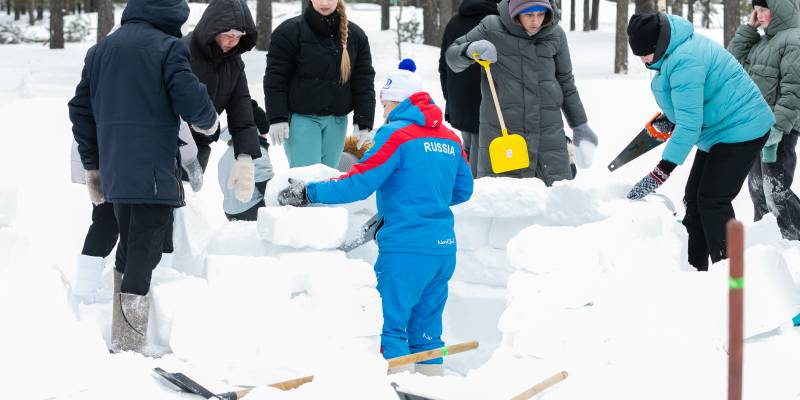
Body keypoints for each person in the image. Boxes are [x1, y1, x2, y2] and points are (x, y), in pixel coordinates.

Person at [277, 60, 474, 376]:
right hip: (442, 249)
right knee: (426, 332)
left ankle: (396, 389)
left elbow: (359, 182)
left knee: (389, 326)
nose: (383, 110)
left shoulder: (396, 135)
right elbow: (463, 190)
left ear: (396, 100)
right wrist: (426, 197)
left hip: (406, 249)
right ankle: (432, 388)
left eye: (385, 103)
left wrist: (309, 193)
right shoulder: (450, 138)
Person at [68, 0, 220, 353]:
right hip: (153, 169)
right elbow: (189, 96)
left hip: (116, 170)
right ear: (173, 18)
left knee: (130, 247)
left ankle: (124, 336)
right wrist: (209, 121)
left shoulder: (101, 49)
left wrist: (94, 163)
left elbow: (80, 109)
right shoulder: (168, 48)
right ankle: (129, 340)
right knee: (143, 251)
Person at [625, 12, 774, 271]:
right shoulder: (674, 50)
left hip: (743, 127)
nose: (643, 60)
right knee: (694, 199)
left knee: (712, 200)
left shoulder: (685, 60)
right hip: (720, 129)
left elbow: (690, 124)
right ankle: (695, 270)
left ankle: (730, 274)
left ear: (657, 46)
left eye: (644, 54)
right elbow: (690, 108)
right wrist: (671, 118)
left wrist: (660, 172)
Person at [444, 0, 597, 184]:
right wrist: (470, 50)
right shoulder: (491, 27)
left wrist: (580, 125)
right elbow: (452, 56)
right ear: (516, 13)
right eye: (529, 15)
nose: (535, 21)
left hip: (548, 136)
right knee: (506, 203)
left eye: (541, 15)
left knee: (554, 203)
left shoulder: (555, 35)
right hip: (504, 135)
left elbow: (566, 82)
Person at [68, 121, 199, 303]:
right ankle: (150, 291)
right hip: (134, 157)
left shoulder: (96, 91)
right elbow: (174, 116)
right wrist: (191, 159)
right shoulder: (147, 91)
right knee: (154, 224)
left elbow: (82, 112)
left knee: (105, 222)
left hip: (100, 154)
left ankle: (85, 291)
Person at [264, 0, 376, 169]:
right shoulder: (289, 32)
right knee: (306, 180)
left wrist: (364, 122)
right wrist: (277, 116)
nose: (324, 2)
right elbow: (276, 78)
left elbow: (363, 81)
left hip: (337, 121)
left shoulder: (356, 36)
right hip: (303, 119)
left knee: (328, 181)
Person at [727, 0, 800, 241]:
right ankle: (767, 238)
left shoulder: (793, 40)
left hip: (780, 130)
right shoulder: (762, 41)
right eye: (755, 10)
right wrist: (748, 30)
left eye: (762, 10)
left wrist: (778, 126)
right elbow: (732, 62)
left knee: (775, 190)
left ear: (778, 9)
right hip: (757, 127)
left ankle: (792, 241)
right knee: (757, 187)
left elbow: (794, 90)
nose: (758, 15)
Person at [183, 0, 261, 203]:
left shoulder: (234, 63)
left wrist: (245, 156)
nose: (232, 42)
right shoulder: (182, 52)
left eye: (238, 37)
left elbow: (241, 108)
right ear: (212, 29)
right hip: (170, 141)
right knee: (160, 211)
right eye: (228, 35)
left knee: (185, 206)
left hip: (200, 145)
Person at [438, 0, 499, 176]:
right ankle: (473, 195)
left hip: (461, 102)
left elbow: (444, 65)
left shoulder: (454, 22)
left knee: (469, 149)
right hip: (489, 105)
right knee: (484, 160)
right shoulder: (497, 24)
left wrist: (450, 98)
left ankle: (465, 190)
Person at [218, 100, 275, 221]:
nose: (266, 136)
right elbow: (267, 185)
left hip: (229, 210)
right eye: (265, 132)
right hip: (252, 208)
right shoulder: (256, 150)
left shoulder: (226, 155)